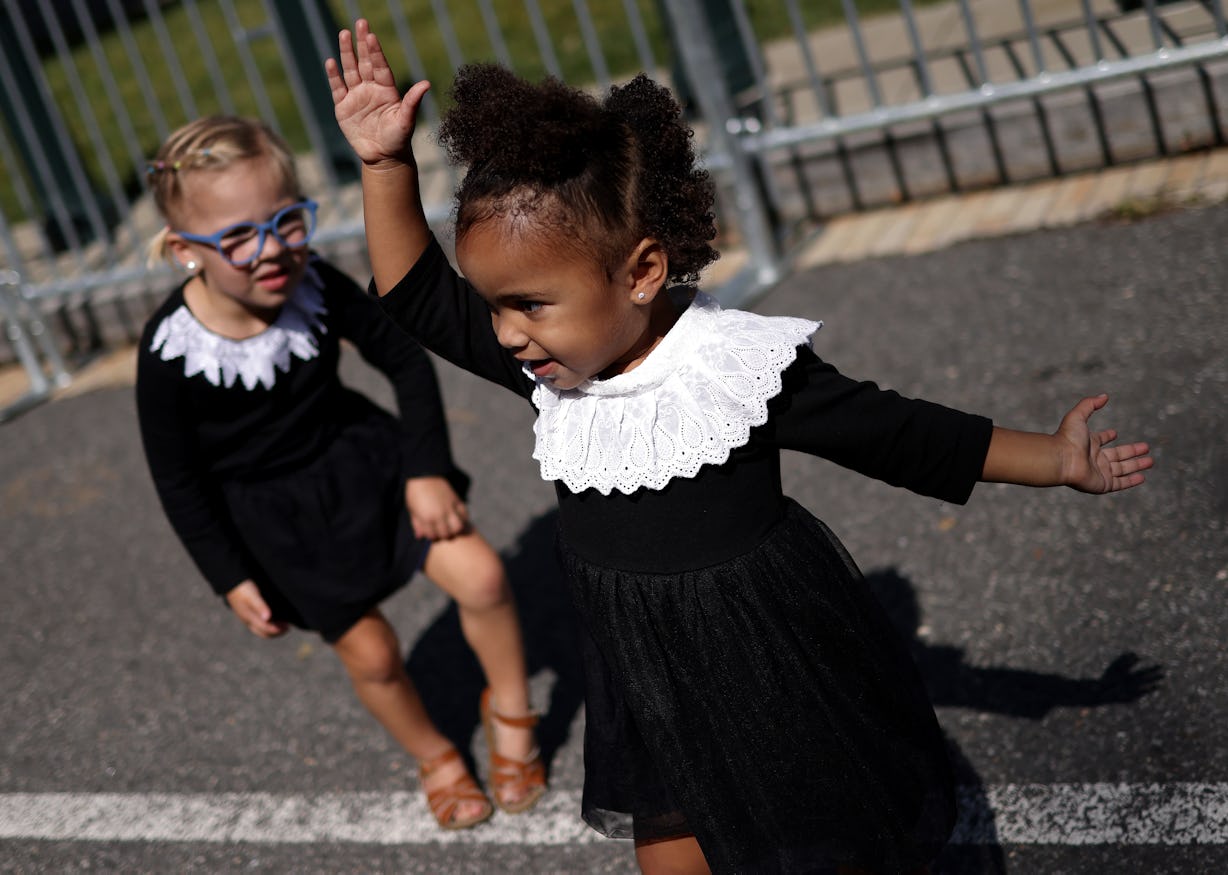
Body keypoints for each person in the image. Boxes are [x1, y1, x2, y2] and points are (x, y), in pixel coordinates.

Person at [326, 20, 1153, 874]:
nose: (503, 333)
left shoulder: (734, 368)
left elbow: (896, 432)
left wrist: (1055, 458)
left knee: (815, 847)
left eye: (528, 304)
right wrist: (386, 165)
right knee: (671, 845)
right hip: (642, 669)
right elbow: (416, 294)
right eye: (493, 305)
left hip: (768, 660)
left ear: (642, 271)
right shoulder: (555, 367)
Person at [134, 115, 547, 831]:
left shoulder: (316, 284)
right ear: (183, 251)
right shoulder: (170, 354)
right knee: (376, 654)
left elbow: (405, 359)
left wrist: (426, 469)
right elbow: (179, 479)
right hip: (281, 526)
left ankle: (512, 712)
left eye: (286, 221)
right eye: (237, 236)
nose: (271, 251)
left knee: (481, 576)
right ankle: (435, 756)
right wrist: (228, 575)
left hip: (372, 470)